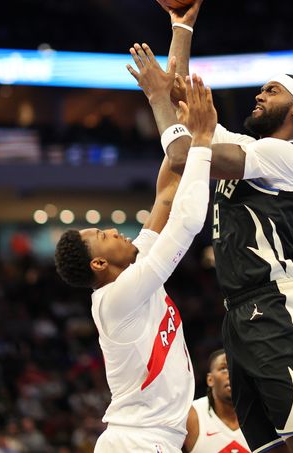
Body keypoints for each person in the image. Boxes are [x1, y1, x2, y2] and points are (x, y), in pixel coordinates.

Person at [126, 0, 293, 453]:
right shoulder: (247, 148)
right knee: (278, 443)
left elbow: (183, 153)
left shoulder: (286, 157)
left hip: (275, 303)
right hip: (238, 312)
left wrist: (155, 98)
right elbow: (184, 101)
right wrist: (181, 28)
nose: (260, 95)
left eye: (273, 90)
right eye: (261, 89)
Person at [54, 73, 217, 453]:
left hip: (148, 440)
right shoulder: (120, 294)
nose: (113, 230)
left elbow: (165, 197)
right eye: (103, 236)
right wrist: (204, 140)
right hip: (139, 441)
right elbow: (188, 221)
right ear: (98, 265)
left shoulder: (132, 273)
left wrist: (166, 108)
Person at [183, 348, 250, 453]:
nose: (231, 374)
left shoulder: (261, 414)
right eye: (223, 369)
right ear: (210, 379)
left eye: (235, 369)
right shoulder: (191, 415)